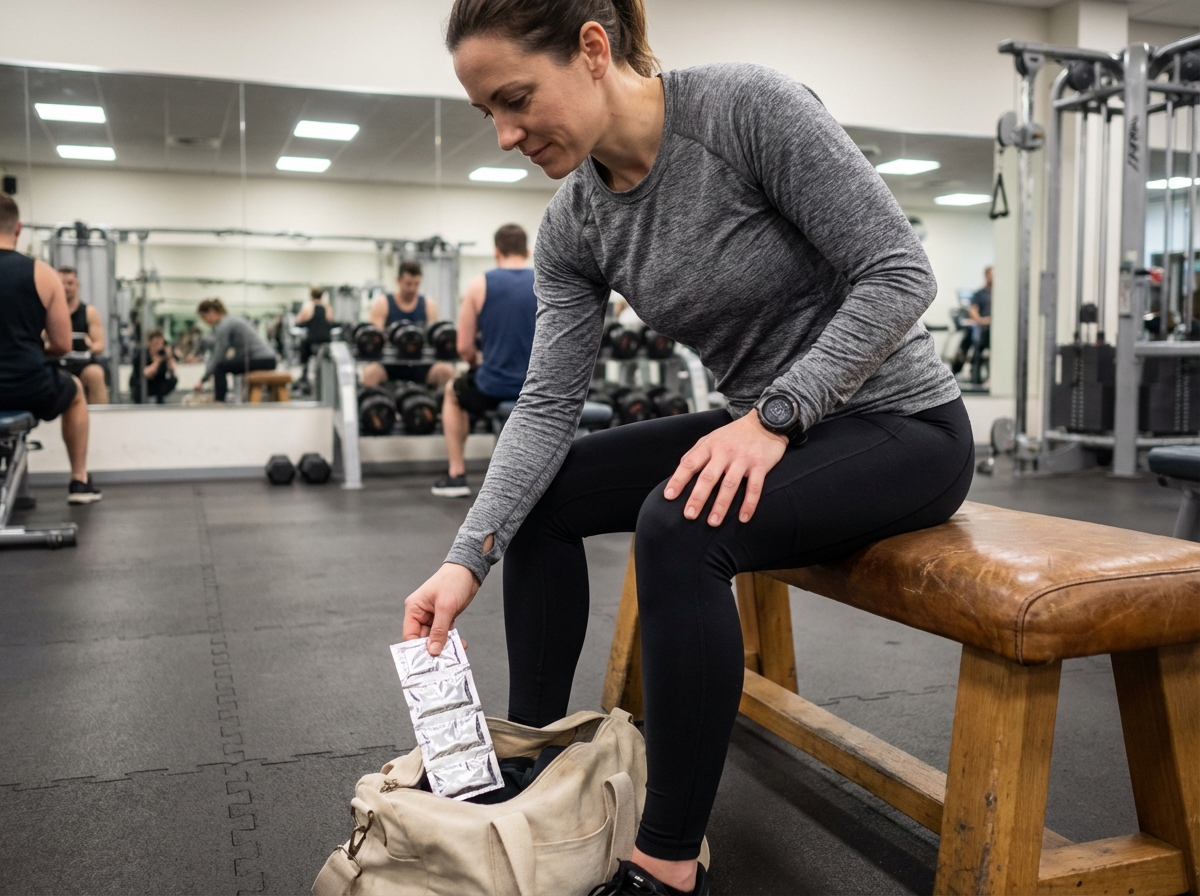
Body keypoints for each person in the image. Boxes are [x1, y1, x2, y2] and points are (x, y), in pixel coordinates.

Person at [401, 4, 972, 895]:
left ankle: (666, 863)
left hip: (902, 427)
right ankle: (539, 766)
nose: (506, 135)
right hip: (766, 432)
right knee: (547, 499)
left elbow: (900, 272)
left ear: (594, 48)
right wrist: (467, 557)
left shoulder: (748, 110)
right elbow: (548, 403)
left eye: (516, 99)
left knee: (679, 523)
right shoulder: (575, 223)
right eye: (490, 115)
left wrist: (776, 415)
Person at [0, 193, 101, 503]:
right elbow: (61, 344)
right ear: (18, 229)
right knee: (74, 393)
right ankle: (79, 482)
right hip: (26, 384)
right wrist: (33, 349)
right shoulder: (42, 273)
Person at [432, 224, 537, 498]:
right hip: (538, 388)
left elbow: (464, 346)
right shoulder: (545, 281)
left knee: (452, 392)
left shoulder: (480, 284)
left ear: (496, 251)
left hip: (495, 387)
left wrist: (477, 360)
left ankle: (457, 475)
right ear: (527, 251)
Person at [361, 260, 453, 388]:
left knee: (446, 371)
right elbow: (375, 338)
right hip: (390, 366)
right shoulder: (383, 304)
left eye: (416, 284)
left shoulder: (428, 305)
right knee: (371, 373)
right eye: (408, 284)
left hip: (421, 365)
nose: (412, 289)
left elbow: (434, 339)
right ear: (398, 280)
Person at [193, 298, 277, 403]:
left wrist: (202, 380)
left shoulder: (224, 325)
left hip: (264, 360)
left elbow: (219, 355)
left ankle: (219, 402)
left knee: (220, 367)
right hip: (267, 359)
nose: (205, 322)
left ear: (211, 312)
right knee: (224, 365)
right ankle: (227, 400)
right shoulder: (229, 321)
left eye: (203, 317)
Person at [55, 266, 110, 404]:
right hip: (56, 365)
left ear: (77, 285)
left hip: (82, 366)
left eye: (70, 283)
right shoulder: (47, 311)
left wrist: (89, 346)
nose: (66, 287)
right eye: (61, 283)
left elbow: (100, 344)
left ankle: (100, 423)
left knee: (95, 373)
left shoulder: (89, 312)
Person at [295, 285, 334, 388]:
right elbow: (331, 322)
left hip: (312, 340)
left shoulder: (308, 306)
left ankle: (304, 373)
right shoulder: (327, 307)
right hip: (326, 340)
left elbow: (298, 321)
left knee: (303, 348)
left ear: (311, 295)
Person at [129, 328, 178, 404]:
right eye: (156, 343)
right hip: (142, 384)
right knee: (140, 386)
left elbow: (173, 372)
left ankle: (160, 401)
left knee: (171, 380)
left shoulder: (163, 355)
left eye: (161, 343)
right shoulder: (142, 355)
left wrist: (169, 357)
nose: (159, 346)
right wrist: (157, 362)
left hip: (157, 383)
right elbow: (145, 373)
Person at [967, 266, 992, 386]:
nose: (992, 278)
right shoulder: (979, 294)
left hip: (995, 331)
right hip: (983, 328)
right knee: (971, 341)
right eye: (990, 275)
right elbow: (973, 311)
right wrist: (981, 320)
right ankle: (975, 378)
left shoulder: (1001, 296)